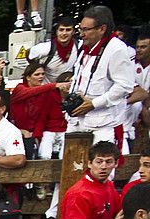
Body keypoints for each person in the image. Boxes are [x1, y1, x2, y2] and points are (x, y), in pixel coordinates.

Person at [65, 5, 136, 145]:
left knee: (102, 165)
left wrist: (93, 104)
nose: (81, 34)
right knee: (72, 165)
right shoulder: (84, 47)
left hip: (104, 125)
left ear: (102, 29)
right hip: (77, 120)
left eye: (85, 30)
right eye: (80, 29)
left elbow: (124, 86)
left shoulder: (116, 49)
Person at [53, 141, 122, 219]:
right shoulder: (79, 194)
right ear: (90, 163)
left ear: (116, 163)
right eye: (99, 162)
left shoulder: (108, 186)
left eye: (108, 162)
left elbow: (119, 211)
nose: (103, 166)